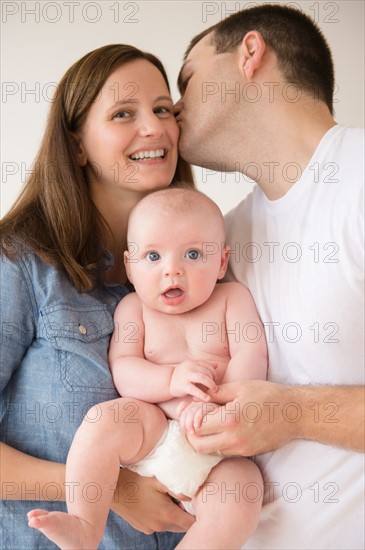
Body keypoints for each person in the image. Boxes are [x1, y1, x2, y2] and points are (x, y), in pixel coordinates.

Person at [174, 3, 365, 549]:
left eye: (187, 79)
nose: (174, 106)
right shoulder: (219, 244)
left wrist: (296, 413)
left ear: (250, 53)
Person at [0, 43, 197, 550]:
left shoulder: (202, 264)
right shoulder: (19, 261)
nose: (153, 128)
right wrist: (110, 486)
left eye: (162, 109)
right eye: (123, 114)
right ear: (78, 145)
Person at [27, 187, 268, 550]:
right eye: (153, 255)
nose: (172, 269)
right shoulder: (133, 308)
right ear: (130, 266)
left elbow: (252, 354)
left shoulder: (232, 299)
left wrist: (221, 402)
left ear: (221, 261)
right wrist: (171, 380)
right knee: (102, 422)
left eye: (193, 254)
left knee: (244, 491)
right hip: (153, 430)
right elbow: (124, 368)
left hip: (219, 447)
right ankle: (83, 525)